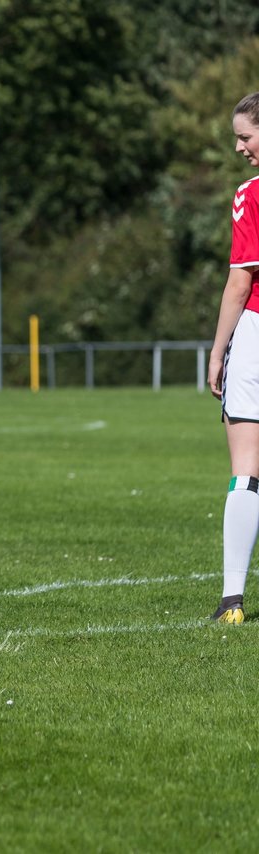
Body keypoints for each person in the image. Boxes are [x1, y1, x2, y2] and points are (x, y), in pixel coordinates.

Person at [208, 92, 259, 623]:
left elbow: (241, 280)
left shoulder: (252, 195)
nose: (241, 148)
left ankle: (232, 601)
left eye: (246, 136)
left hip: (257, 338)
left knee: (246, 470)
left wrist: (217, 350)